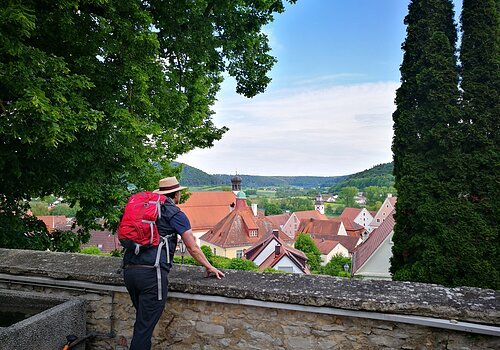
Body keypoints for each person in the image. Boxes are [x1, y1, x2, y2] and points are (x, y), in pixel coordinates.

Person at [122, 176, 225, 350]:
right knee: (143, 328)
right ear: (176, 194)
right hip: (152, 274)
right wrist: (209, 266)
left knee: (142, 323)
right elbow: (192, 246)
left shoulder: (145, 210)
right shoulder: (175, 213)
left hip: (129, 271)